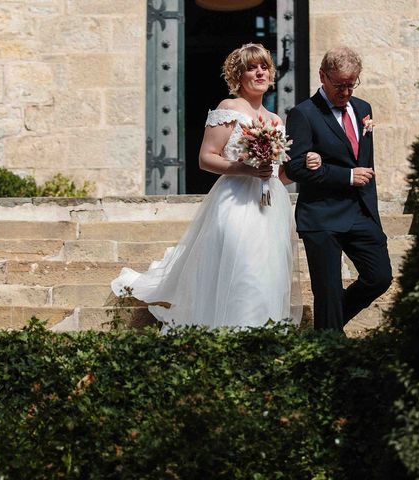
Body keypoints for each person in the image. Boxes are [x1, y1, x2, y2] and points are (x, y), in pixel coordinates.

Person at [111, 43, 317, 331]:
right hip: (235, 203)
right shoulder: (229, 108)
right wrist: (245, 169)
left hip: (271, 206)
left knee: (267, 272)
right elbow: (206, 158)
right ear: (238, 76)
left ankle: (262, 332)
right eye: (251, 67)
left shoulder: (275, 120)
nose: (259, 72)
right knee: (241, 264)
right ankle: (230, 330)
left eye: (264, 67)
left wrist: (302, 168)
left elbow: (276, 175)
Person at [284, 46, 393, 332]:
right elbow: (293, 169)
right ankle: (328, 341)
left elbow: (363, 163)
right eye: (339, 85)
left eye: (351, 84)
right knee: (328, 292)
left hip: (361, 212)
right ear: (322, 76)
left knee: (380, 277)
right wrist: (344, 176)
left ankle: (326, 330)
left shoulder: (363, 109)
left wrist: (372, 212)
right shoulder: (303, 114)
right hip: (321, 216)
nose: (345, 92)